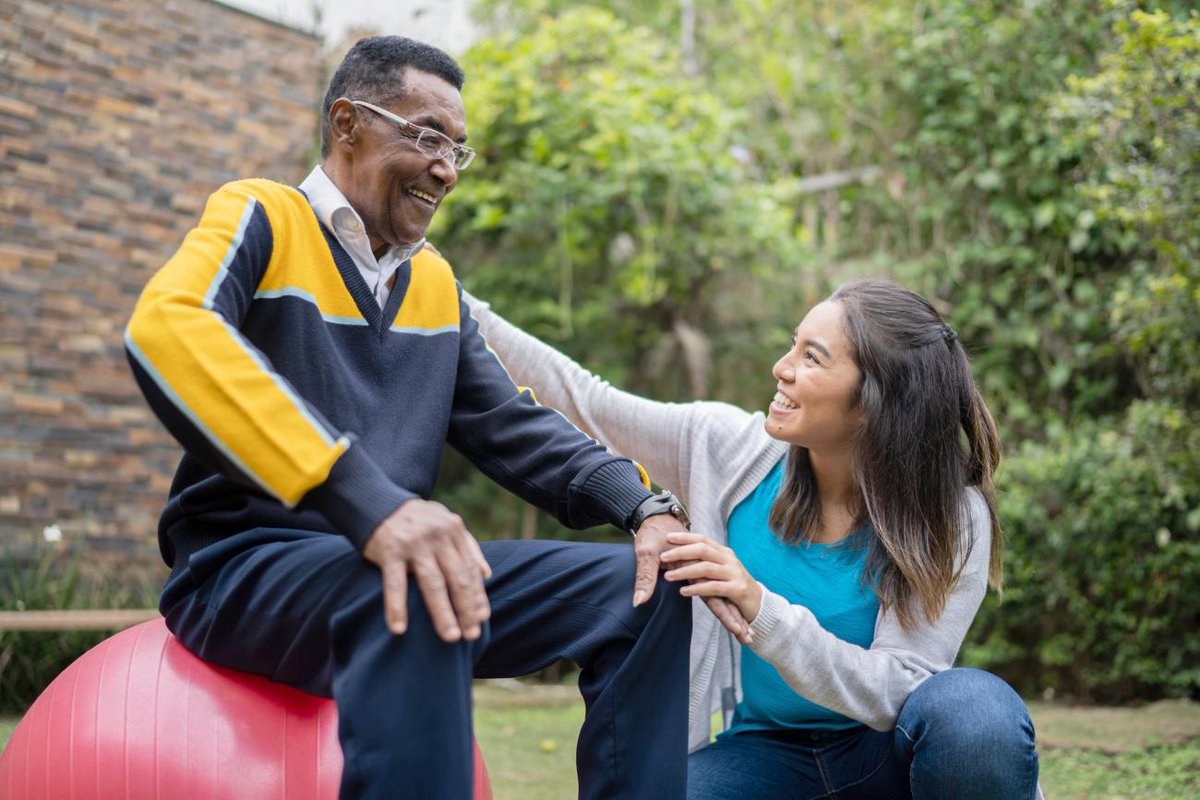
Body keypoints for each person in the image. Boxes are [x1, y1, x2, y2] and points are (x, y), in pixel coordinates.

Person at [123, 35, 703, 800]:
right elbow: (168, 328)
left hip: (391, 571)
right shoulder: (261, 214)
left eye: (458, 150)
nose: (444, 168)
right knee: (419, 573)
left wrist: (642, 508)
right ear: (346, 123)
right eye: (427, 135)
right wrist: (370, 504)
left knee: (650, 589)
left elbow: (513, 425)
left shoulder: (434, 285)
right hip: (242, 570)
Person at [464, 278, 1042, 799]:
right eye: (793, 344)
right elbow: (586, 401)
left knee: (973, 712)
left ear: (871, 404)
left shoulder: (951, 513)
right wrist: (454, 302)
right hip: (765, 755)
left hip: (885, 757)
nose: (781, 367)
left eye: (811, 358)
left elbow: (900, 690)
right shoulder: (728, 448)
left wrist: (762, 609)